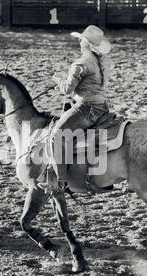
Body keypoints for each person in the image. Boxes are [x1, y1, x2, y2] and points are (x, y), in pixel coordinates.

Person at [39, 25, 112, 193]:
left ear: (85, 44)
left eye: (81, 40)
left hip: (86, 108)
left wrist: (58, 79)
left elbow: (66, 90)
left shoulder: (81, 63)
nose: (79, 42)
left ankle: (60, 182)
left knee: (56, 136)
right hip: (102, 107)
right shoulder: (101, 63)